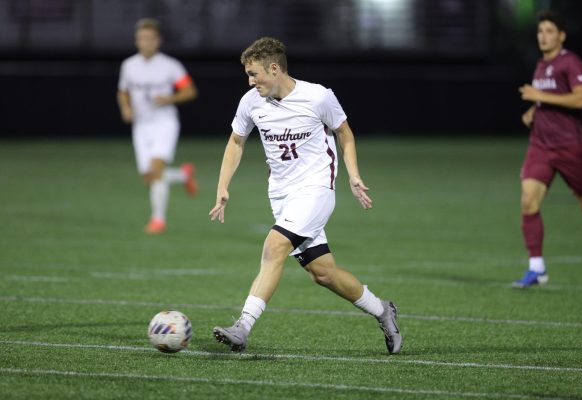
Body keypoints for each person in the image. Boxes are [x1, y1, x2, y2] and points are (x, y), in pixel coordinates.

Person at [209, 37, 402, 354]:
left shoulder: (318, 97)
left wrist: (353, 175)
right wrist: (222, 186)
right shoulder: (251, 102)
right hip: (282, 197)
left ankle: (242, 327)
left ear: (274, 68)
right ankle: (383, 310)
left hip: (316, 190)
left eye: (254, 74)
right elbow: (235, 142)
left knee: (274, 247)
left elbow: (345, 133)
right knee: (323, 274)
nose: (250, 81)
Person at [513, 11, 582, 288]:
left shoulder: (570, 62)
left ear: (561, 35)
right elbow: (550, 100)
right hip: (541, 145)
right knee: (528, 200)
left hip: (569, 147)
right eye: (540, 31)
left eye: (550, 31)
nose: (543, 36)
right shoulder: (541, 65)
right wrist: (533, 111)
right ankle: (536, 269)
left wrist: (538, 96)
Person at [117, 18, 198, 234]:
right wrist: (125, 108)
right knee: (149, 178)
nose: (146, 42)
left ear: (158, 41)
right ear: (136, 41)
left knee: (155, 170)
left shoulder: (169, 65)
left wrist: (169, 99)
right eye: (142, 38)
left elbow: (189, 91)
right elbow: (123, 91)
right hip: (141, 126)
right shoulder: (129, 66)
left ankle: (158, 220)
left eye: (150, 38)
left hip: (164, 123)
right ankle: (182, 175)